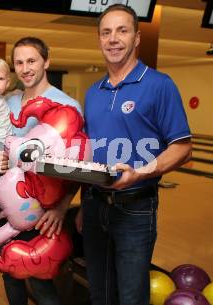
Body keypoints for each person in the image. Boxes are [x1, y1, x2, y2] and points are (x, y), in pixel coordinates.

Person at [77, 4, 192, 305]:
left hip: (136, 208)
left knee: (131, 297)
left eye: (122, 30)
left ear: (137, 37)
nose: (113, 39)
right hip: (94, 206)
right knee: (99, 294)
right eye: (106, 32)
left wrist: (139, 173)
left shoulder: (159, 85)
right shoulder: (93, 92)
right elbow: (89, 151)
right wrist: (82, 203)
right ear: (100, 39)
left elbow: (182, 147)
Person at [0, 37, 83, 305]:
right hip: (3, 203)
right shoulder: (7, 103)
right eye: (19, 62)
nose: (25, 68)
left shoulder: (67, 107)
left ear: (46, 61)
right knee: (10, 272)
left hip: (42, 210)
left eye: (31, 61)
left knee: (41, 282)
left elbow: (78, 167)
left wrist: (62, 208)